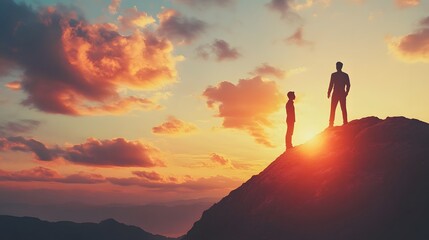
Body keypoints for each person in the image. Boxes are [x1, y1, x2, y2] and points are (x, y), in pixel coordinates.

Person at [327, 61, 351, 127]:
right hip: (336, 93)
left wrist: (346, 93)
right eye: (336, 66)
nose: (337, 67)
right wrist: (328, 92)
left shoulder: (344, 75)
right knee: (333, 109)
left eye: (338, 66)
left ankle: (345, 121)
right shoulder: (334, 75)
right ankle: (331, 123)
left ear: (341, 67)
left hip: (340, 93)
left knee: (342, 108)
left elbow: (348, 85)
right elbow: (331, 84)